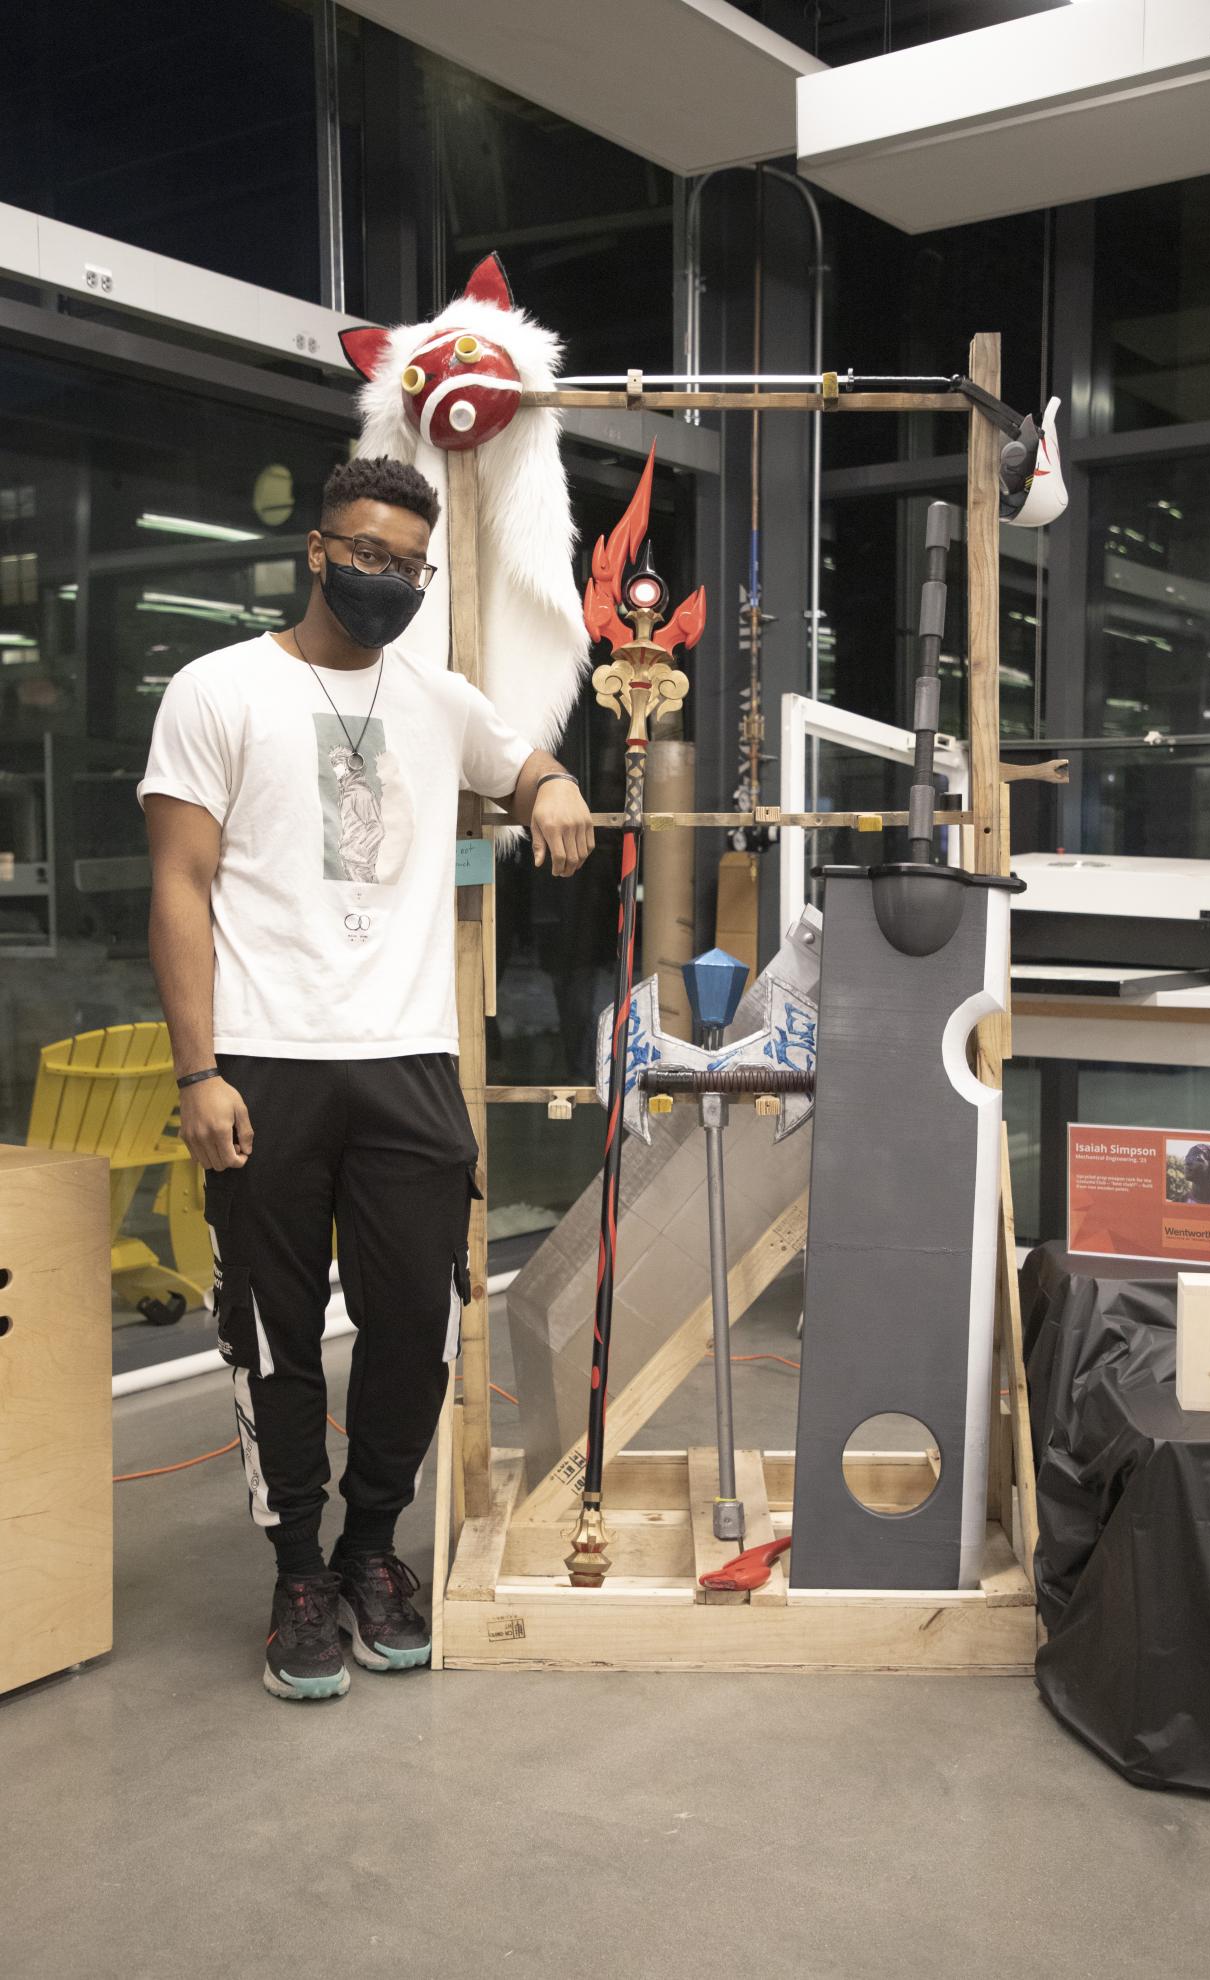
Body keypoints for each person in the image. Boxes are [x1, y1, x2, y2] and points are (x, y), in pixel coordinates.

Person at [139, 455, 595, 1701]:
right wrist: (198, 1072)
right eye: (363, 552)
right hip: (265, 1061)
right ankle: (297, 1573)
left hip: (406, 1063)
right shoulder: (216, 689)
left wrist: (551, 786)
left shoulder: (439, 699)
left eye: (407, 563)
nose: (382, 577)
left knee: (414, 1323)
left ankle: (372, 1551)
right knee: (276, 1333)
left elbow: (527, 764)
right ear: (316, 551)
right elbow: (177, 886)